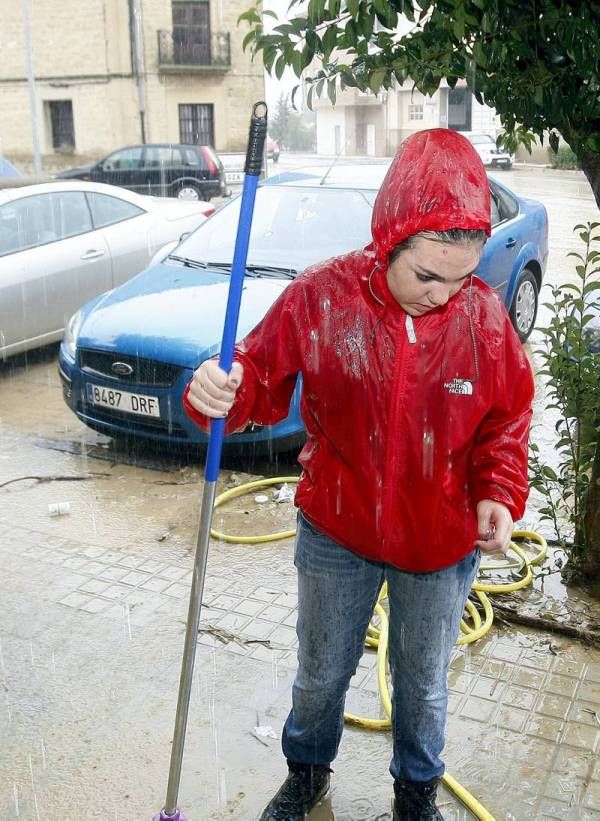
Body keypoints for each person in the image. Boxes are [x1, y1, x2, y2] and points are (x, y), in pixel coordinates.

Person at [184, 129, 534, 821]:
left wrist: (498, 489)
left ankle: (415, 792)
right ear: (388, 239)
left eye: (459, 279)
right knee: (320, 674)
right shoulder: (321, 297)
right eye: (426, 276)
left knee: (423, 684)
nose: (441, 296)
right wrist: (220, 390)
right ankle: (306, 772)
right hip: (336, 529)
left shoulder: (483, 320)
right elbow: (255, 378)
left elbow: (508, 418)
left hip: (439, 541)